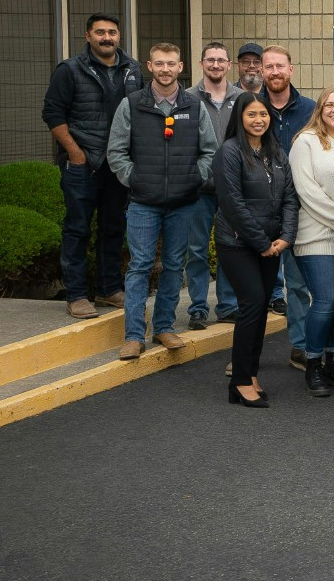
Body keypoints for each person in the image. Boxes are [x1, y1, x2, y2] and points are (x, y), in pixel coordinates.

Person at [105, 42, 218, 359]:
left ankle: (165, 328)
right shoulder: (132, 105)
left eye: (171, 64)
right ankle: (133, 335)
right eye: (159, 63)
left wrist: (194, 177)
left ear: (181, 67)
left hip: (183, 203)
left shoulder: (194, 107)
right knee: (139, 266)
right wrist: (135, 179)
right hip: (143, 202)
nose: (165, 69)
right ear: (149, 66)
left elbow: (209, 150)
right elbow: (116, 152)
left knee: (173, 266)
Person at [43, 12, 142, 319]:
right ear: (88, 36)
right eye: (100, 32)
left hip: (118, 165)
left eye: (112, 32)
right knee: (77, 229)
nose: (106, 37)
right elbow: (53, 115)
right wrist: (75, 154)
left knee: (114, 228)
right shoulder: (70, 70)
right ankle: (75, 295)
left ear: (119, 36)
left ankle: (108, 289)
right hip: (82, 165)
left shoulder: (133, 70)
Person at [213, 94, 298, 407]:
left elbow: (290, 197)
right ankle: (239, 381)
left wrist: (286, 236)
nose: (259, 119)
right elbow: (232, 204)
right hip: (238, 244)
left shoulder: (276, 152)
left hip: (272, 245)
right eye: (251, 114)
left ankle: (250, 374)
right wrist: (260, 242)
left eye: (263, 114)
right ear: (240, 117)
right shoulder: (230, 152)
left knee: (260, 308)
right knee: (253, 303)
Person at [289, 87, 334, 396]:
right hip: (316, 234)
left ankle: (333, 361)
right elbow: (307, 191)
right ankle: (313, 363)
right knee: (327, 299)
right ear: (319, 109)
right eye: (329, 104)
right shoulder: (306, 142)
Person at [258, 46, 316, 364]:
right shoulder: (251, 108)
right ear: (261, 71)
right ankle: (245, 354)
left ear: (291, 69)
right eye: (269, 67)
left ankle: (302, 344)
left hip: (301, 209)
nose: (275, 72)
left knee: (296, 282)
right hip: (261, 210)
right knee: (255, 286)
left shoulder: (310, 110)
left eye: (280, 66)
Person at [184, 43, 242, 329]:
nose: (216, 65)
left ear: (229, 65)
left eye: (221, 60)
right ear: (201, 63)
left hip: (232, 189)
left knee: (229, 248)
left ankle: (228, 305)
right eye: (211, 60)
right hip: (199, 189)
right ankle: (197, 307)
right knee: (196, 249)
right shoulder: (188, 99)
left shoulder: (242, 98)